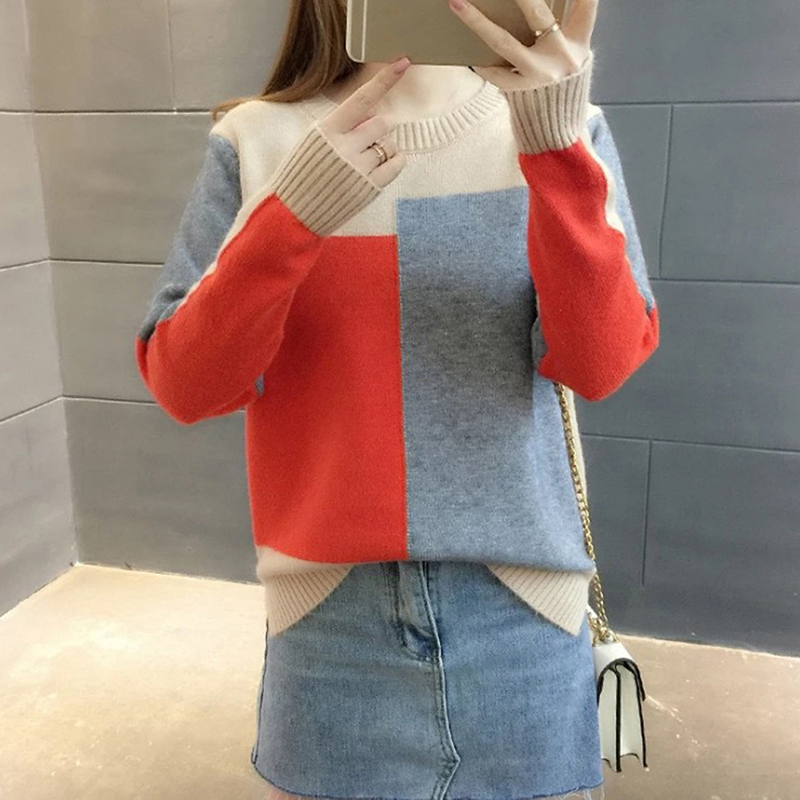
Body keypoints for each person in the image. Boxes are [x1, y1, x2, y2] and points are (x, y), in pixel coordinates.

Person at [134, 0, 659, 797]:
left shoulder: (559, 125)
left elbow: (600, 363)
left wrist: (554, 145)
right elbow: (186, 385)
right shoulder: (257, 140)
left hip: (523, 616)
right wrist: (292, 214)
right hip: (328, 625)